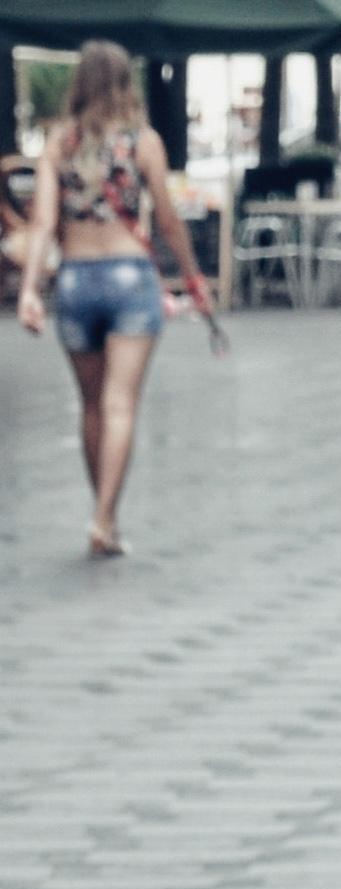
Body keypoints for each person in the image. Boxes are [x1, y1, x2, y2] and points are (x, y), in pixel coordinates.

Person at [16, 41, 217, 558]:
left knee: (89, 405)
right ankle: (105, 519)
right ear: (126, 84)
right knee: (119, 404)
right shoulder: (144, 143)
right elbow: (169, 222)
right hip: (131, 278)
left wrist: (30, 291)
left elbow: (40, 223)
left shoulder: (59, 144)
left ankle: (101, 511)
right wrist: (194, 281)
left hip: (77, 282)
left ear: (79, 84)